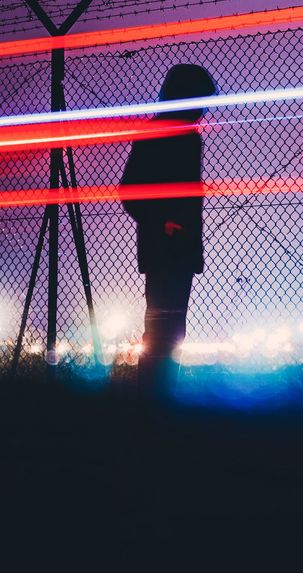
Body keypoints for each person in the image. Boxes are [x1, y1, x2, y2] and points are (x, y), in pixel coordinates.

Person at [121, 63, 216, 394]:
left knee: (167, 327)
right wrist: (167, 223)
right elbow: (130, 191)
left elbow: (132, 192)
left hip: (173, 247)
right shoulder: (169, 136)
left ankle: (157, 398)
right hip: (169, 248)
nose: (204, 109)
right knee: (165, 328)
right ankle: (155, 399)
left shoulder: (182, 136)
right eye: (200, 100)